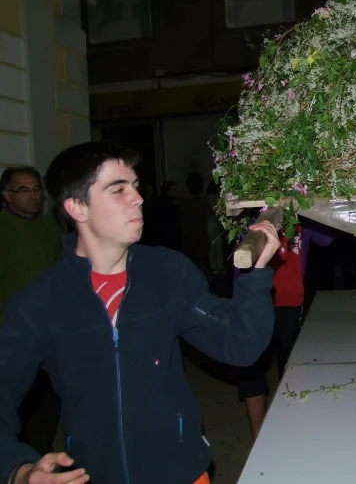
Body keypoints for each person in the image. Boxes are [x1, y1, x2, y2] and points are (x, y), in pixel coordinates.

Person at [0, 142, 280, 484]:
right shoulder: (39, 302)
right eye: (118, 190)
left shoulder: (168, 273)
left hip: (181, 473)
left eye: (135, 186)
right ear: (77, 207)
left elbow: (241, 345)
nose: (138, 198)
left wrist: (256, 274)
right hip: (94, 476)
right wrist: (17, 469)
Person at [236, 214, 333, 439]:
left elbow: (326, 239)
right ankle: (258, 440)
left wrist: (312, 208)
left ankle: (293, 434)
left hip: (289, 302)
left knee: (292, 369)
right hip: (251, 300)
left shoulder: (302, 215)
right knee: (252, 372)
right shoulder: (250, 213)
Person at [0, 167, 63, 456]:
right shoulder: (4, 229)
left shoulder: (49, 226)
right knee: (18, 400)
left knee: (49, 399)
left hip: (51, 331)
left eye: (37, 189)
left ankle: (41, 450)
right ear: (6, 195)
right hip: (14, 334)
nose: (33, 196)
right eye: (23, 190)